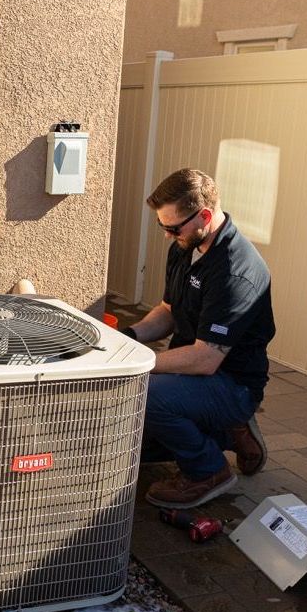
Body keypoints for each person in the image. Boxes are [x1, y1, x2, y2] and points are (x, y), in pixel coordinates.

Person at [123, 169, 275, 509]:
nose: (167, 235)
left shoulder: (236, 271)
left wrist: (136, 364)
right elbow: (168, 310)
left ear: (204, 215)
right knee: (138, 443)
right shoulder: (186, 244)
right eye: (163, 226)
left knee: (146, 395)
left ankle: (208, 471)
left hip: (231, 383)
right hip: (195, 370)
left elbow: (205, 360)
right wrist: (128, 338)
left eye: (173, 227)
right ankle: (225, 432)